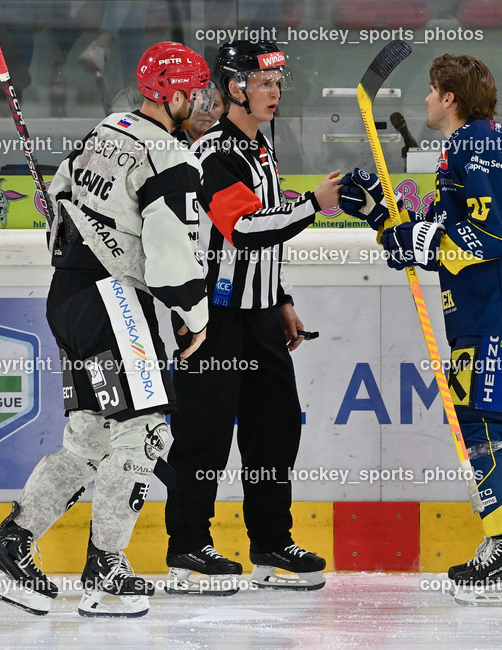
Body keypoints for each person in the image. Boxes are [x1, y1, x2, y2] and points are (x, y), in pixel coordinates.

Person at [0, 42, 211, 617]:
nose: (201, 103)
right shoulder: (172, 161)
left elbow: (61, 195)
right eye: (195, 93)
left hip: (69, 297)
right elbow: (173, 259)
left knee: (88, 441)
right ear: (172, 94)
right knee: (144, 434)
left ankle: (9, 549)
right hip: (117, 306)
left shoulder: (109, 128)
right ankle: (106, 569)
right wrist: (195, 316)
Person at [340, 54, 502, 605]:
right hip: (483, 315)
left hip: (499, 315)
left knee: (485, 426)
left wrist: (424, 242)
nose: (428, 101)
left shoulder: (479, 143)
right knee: (481, 423)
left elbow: (496, 231)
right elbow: (445, 238)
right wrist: (382, 218)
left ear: (450, 98)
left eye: (433, 92)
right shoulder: (467, 148)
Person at [163, 40, 342, 594]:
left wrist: (281, 296)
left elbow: (261, 240)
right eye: (264, 83)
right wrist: (315, 205)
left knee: (275, 430)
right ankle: (188, 548)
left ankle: (270, 544)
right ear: (234, 87)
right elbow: (243, 228)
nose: (275, 92)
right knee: (204, 438)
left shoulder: (261, 147)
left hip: (261, 318)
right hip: (213, 322)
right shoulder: (216, 152)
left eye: (278, 83)